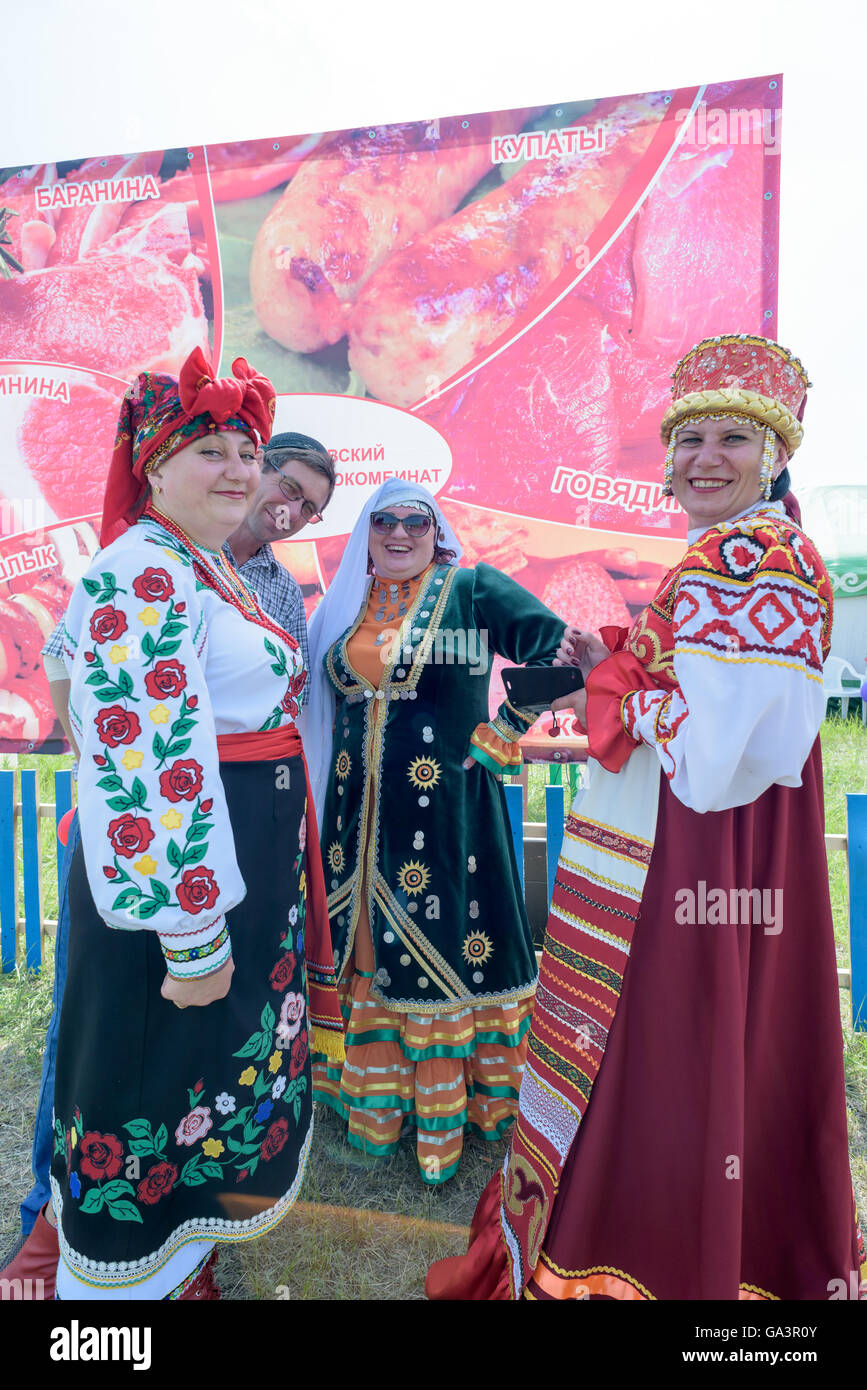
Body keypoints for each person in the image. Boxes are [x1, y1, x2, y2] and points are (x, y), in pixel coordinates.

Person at [427, 334, 866, 1299]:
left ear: (777, 456)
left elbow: (711, 763)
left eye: (732, 441)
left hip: (693, 851)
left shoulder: (753, 554)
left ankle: (642, 1254)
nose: (704, 458)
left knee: (665, 1040)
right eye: (688, 440)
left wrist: (610, 680)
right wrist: (618, 660)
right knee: (696, 1042)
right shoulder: (738, 551)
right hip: (707, 847)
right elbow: (719, 707)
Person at [8, 347, 342, 1301]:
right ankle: (113, 1301)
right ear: (154, 465)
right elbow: (142, 760)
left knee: (199, 1086)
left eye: (249, 449)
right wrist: (190, 935)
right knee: (149, 1079)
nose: (239, 469)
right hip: (185, 893)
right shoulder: (144, 571)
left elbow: (73, 677)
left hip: (231, 872)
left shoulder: (190, 566)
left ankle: (174, 1265)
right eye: (212, 451)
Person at [301, 477, 567, 1183]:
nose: (397, 533)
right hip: (351, 822)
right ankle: (371, 1104)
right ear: (365, 532)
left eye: (412, 522)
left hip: (448, 820)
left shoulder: (471, 590)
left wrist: (502, 731)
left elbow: (560, 649)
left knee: (442, 945)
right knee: (360, 949)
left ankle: (456, 1114)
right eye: (382, 521)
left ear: (435, 530)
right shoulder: (344, 609)